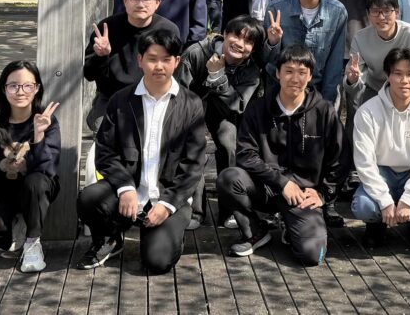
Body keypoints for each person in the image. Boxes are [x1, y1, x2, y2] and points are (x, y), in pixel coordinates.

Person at [77, 30, 207, 274]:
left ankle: (169, 234)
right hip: (128, 194)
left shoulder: (191, 104)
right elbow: (105, 151)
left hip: (167, 196)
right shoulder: (121, 100)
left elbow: (194, 165)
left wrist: (167, 204)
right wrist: (125, 187)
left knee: (157, 262)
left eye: (166, 59)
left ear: (177, 61)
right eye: (152, 59)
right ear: (140, 60)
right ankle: (110, 238)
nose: (159, 66)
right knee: (89, 199)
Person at [216, 45, 344, 266]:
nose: (295, 78)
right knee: (229, 178)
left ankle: (290, 225)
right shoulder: (258, 108)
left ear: (310, 76)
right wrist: (281, 182)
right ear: (277, 73)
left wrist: (323, 193)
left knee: (312, 255)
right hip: (266, 187)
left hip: (303, 194)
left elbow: (339, 158)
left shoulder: (324, 111)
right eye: (289, 71)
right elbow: (245, 154)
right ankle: (255, 231)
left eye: (302, 72)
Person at [0, 60, 61, 273]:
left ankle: (32, 242)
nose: (20, 91)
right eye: (13, 85)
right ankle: (17, 228)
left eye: (27, 86)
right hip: (4, 194)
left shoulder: (46, 120)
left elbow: (47, 169)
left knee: (35, 182)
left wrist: (39, 134)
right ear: (3, 89)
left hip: (36, 190)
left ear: (37, 88)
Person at [351, 48, 410, 252]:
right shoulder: (367, 112)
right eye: (398, 73)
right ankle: (376, 224)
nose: (404, 80)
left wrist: (408, 199)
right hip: (381, 173)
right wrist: (385, 202)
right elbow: (364, 163)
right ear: (388, 75)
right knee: (363, 205)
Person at [176, 15, 265, 230]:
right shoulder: (196, 53)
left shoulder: (252, 70)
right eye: (236, 36)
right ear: (224, 34)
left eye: (248, 41)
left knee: (229, 145)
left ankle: (230, 209)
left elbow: (239, 104)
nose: (240, 44)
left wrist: (218, 77)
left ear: (253, 48)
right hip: (192, 107)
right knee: (193, 147)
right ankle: (196, 211)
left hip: (225, 110)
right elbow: (179, 92)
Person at [84, 0, 180, 132]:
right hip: (112, 96)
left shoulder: (168, 30)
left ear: (157, 3)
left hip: (153, 95)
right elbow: (89, 74)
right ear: (125, 0)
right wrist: (101, 55)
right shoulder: (107, 28)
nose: (140, 4)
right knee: (104, 128)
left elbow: (173, 73)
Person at [265, 0, 348, 105]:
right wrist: (273, 43)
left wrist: (326, 103)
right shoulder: (276, 8)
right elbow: (269, 62)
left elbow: (334, 64)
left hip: (318, 90)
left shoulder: (337, 12)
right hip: (282, 90)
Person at [345, 0, 410, 116]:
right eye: (375, 11)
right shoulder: (360, 38)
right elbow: (351, 81)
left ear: (397, 12)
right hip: (375, 89)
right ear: (368, 14)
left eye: (387, 11)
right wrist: (352, 80)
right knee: (360, 116)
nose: (381, 17)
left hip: (405, 89)